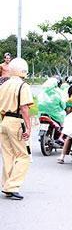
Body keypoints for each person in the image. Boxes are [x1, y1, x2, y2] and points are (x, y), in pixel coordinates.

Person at [0, 58, 33, 200]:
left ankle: (6, 185)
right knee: (23, 156)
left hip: (4, 121)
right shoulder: (23, 86)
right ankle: (12, 186)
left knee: (8, 156)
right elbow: (24, 108)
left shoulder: (4, 85)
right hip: (16, 121)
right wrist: (29, 128)